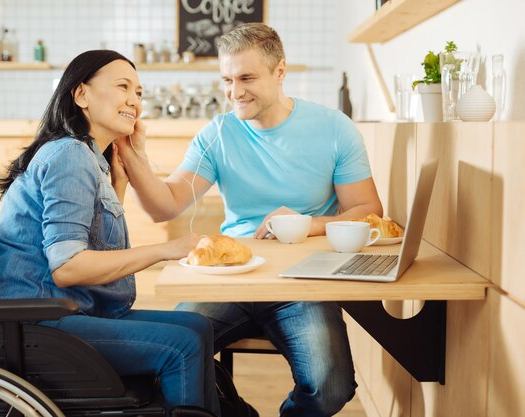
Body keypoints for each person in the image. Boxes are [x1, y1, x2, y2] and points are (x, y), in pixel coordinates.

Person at [116, 23, 383, 417]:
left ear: (280, 72)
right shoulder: (218, 133)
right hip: (232, 278)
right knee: (160, 359)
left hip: (303, 281)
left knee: (330, 386)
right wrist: (131, 152)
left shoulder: (334, 129)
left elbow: (369, 210)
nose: (235, 92)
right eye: (227, 79)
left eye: (246, 78)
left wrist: (306, 222)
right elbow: (165, 205)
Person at [0, 49, 221, 417]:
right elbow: (68, 266)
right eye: (123, 87)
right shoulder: (69, 155)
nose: (134, 100)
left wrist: (119, 182)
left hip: (59, 309)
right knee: (182, 345)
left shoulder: (89, 157)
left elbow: (91, 238)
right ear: (81, 94)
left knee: (199, 326)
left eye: (139, 92)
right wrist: (166, 249)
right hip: (33, 319)